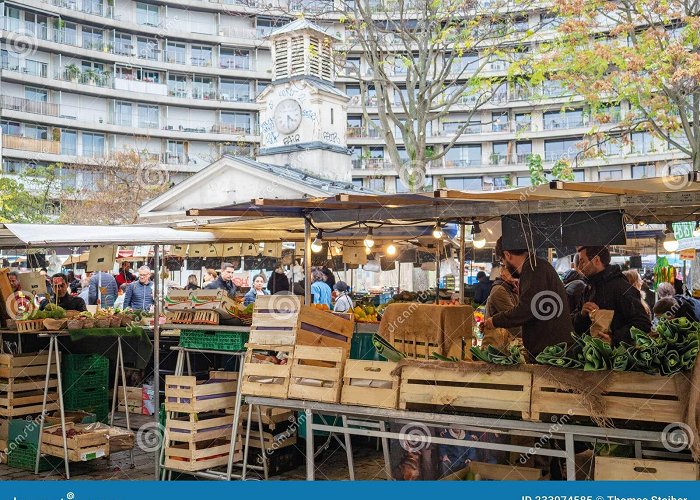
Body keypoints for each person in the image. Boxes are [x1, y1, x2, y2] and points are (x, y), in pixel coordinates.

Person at [482, 238, 572, 360]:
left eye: (503, 261)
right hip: (551, 351)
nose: (505, 267)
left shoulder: (533, 268)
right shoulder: (536, 266)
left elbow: (527, 309)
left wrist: (494, 321)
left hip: (551, 354)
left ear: (507, 255)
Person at [573, 246, 651, 345]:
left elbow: (643, 323)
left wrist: (614, 339)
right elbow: (575, 325)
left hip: (617, 357)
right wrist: (581, 315)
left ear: (596, 260)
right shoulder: (588, 289)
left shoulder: (621, 287)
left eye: (582, 261)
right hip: (592, 354)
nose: (579, 267)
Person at [484, 265, 521, 339]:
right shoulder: (499, 289)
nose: (514, 273)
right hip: (501, 340)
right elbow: (512, 318)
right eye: (510, 270)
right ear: (502, 271)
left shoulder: (512, 288)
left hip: (509, 339)